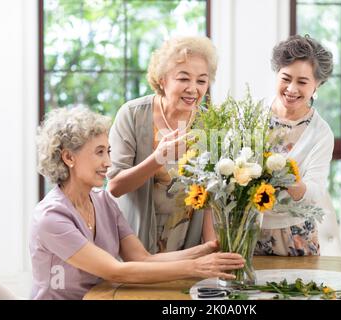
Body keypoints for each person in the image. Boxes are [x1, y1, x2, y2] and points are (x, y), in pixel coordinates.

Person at [30, 107, 244, 300]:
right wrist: (195, 267)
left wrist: (205, 250)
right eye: (99, 152)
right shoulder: (51, 217)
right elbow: (115, 271)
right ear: (68, 157)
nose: (108, 163)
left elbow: (142, 258)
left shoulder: (104, 202)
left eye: (108, 151)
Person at [107, 36, 218, 253]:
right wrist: (158, 158)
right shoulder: (132, 115)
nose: (193, 89)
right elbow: (115, 187)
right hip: (135, 244)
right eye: (183, 78)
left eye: (201, 81)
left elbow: (211, 196)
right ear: (162, 79)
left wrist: (210, 247)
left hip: (189, 246)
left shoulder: (208, 123)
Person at [255, 35, 335, 256]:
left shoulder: (321, 132)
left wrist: (290, 181)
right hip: (249, 229)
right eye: (286, 78)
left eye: (302, 82)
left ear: (317, 85)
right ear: (276, 73)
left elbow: (316, 191)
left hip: (296, 234)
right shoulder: (252, 114)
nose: (291, 89)